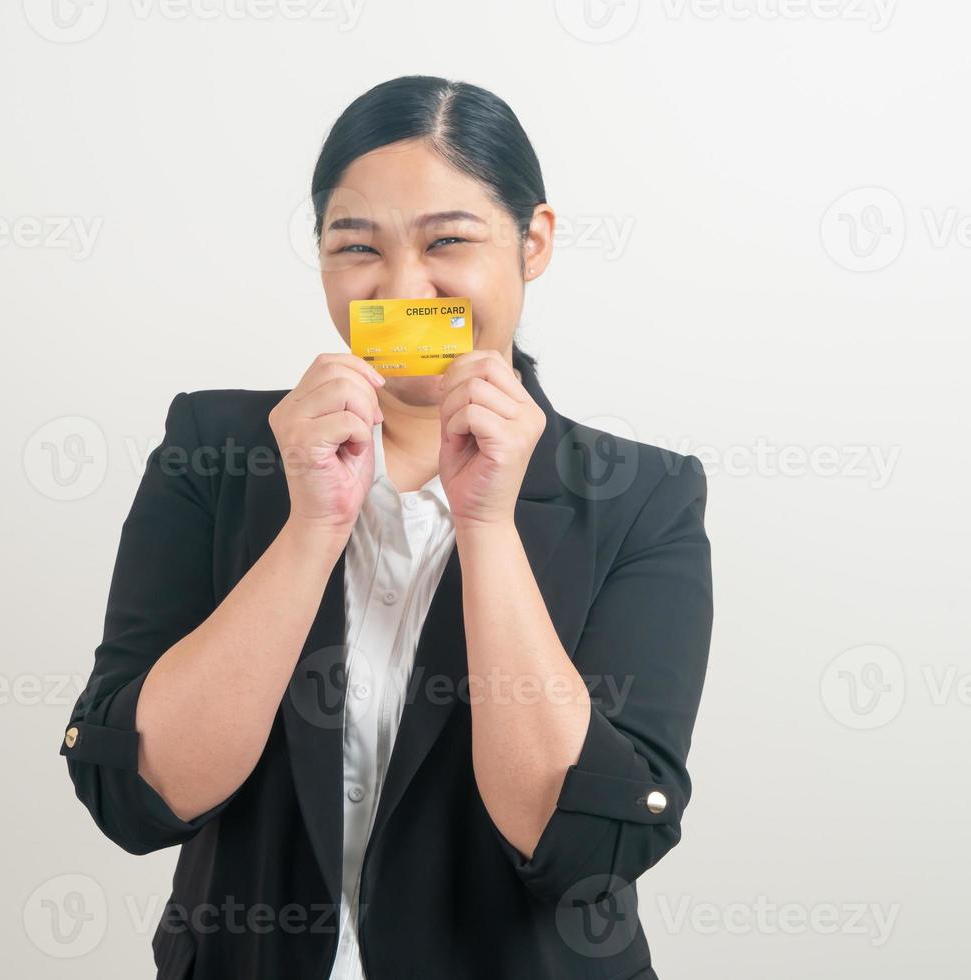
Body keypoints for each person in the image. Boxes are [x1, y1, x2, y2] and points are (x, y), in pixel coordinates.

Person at [60, 74, 714, 980]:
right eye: (356, 246)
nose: (405, 289)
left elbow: (581, 849)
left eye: (448, 239)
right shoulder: (212, 452)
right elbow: (136, 798)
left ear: (534, 242)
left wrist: (487, 525)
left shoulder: (645, 495)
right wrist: (310, 530)